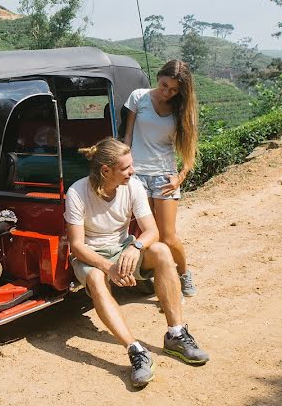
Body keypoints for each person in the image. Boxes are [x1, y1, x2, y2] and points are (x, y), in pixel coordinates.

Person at [65, 138, 209, 388]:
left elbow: (151, 230)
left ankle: (176, 334)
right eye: (126, 168)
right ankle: (135, 350)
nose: (133, 171)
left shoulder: (134, 186)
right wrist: (107, 267)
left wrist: (136, 246)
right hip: (92, 254)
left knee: (162, 251)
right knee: (97, 279)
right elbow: (77, 245)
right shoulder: (77, 192)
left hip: (124, 248)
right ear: (105, 171)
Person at [123, 59, 199, 298]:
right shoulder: (138, 97)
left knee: (167, 236)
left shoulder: (181, 109)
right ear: (158, 77)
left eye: (174, 90)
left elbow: (189, 151)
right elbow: (127, 136)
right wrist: (124, 168)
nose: (167, 92)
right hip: (136, 175)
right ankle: (156, 278)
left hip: (164, 177)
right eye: (165, 85)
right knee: (143, 233)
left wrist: (180, 177)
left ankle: (184, 274)